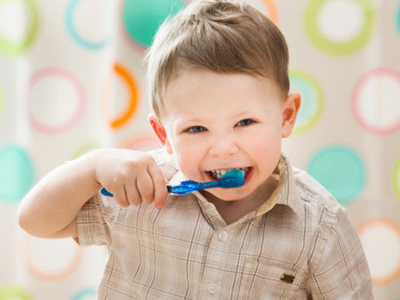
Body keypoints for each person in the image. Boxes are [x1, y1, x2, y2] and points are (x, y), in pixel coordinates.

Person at [18, 0, 373, 299]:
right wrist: (93, 166)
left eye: (245, 123)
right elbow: (35, 221)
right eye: (196, 128)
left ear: (286, 116)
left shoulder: (320, 226)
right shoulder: (141, 192)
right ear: (163, 134)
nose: (222, 149)